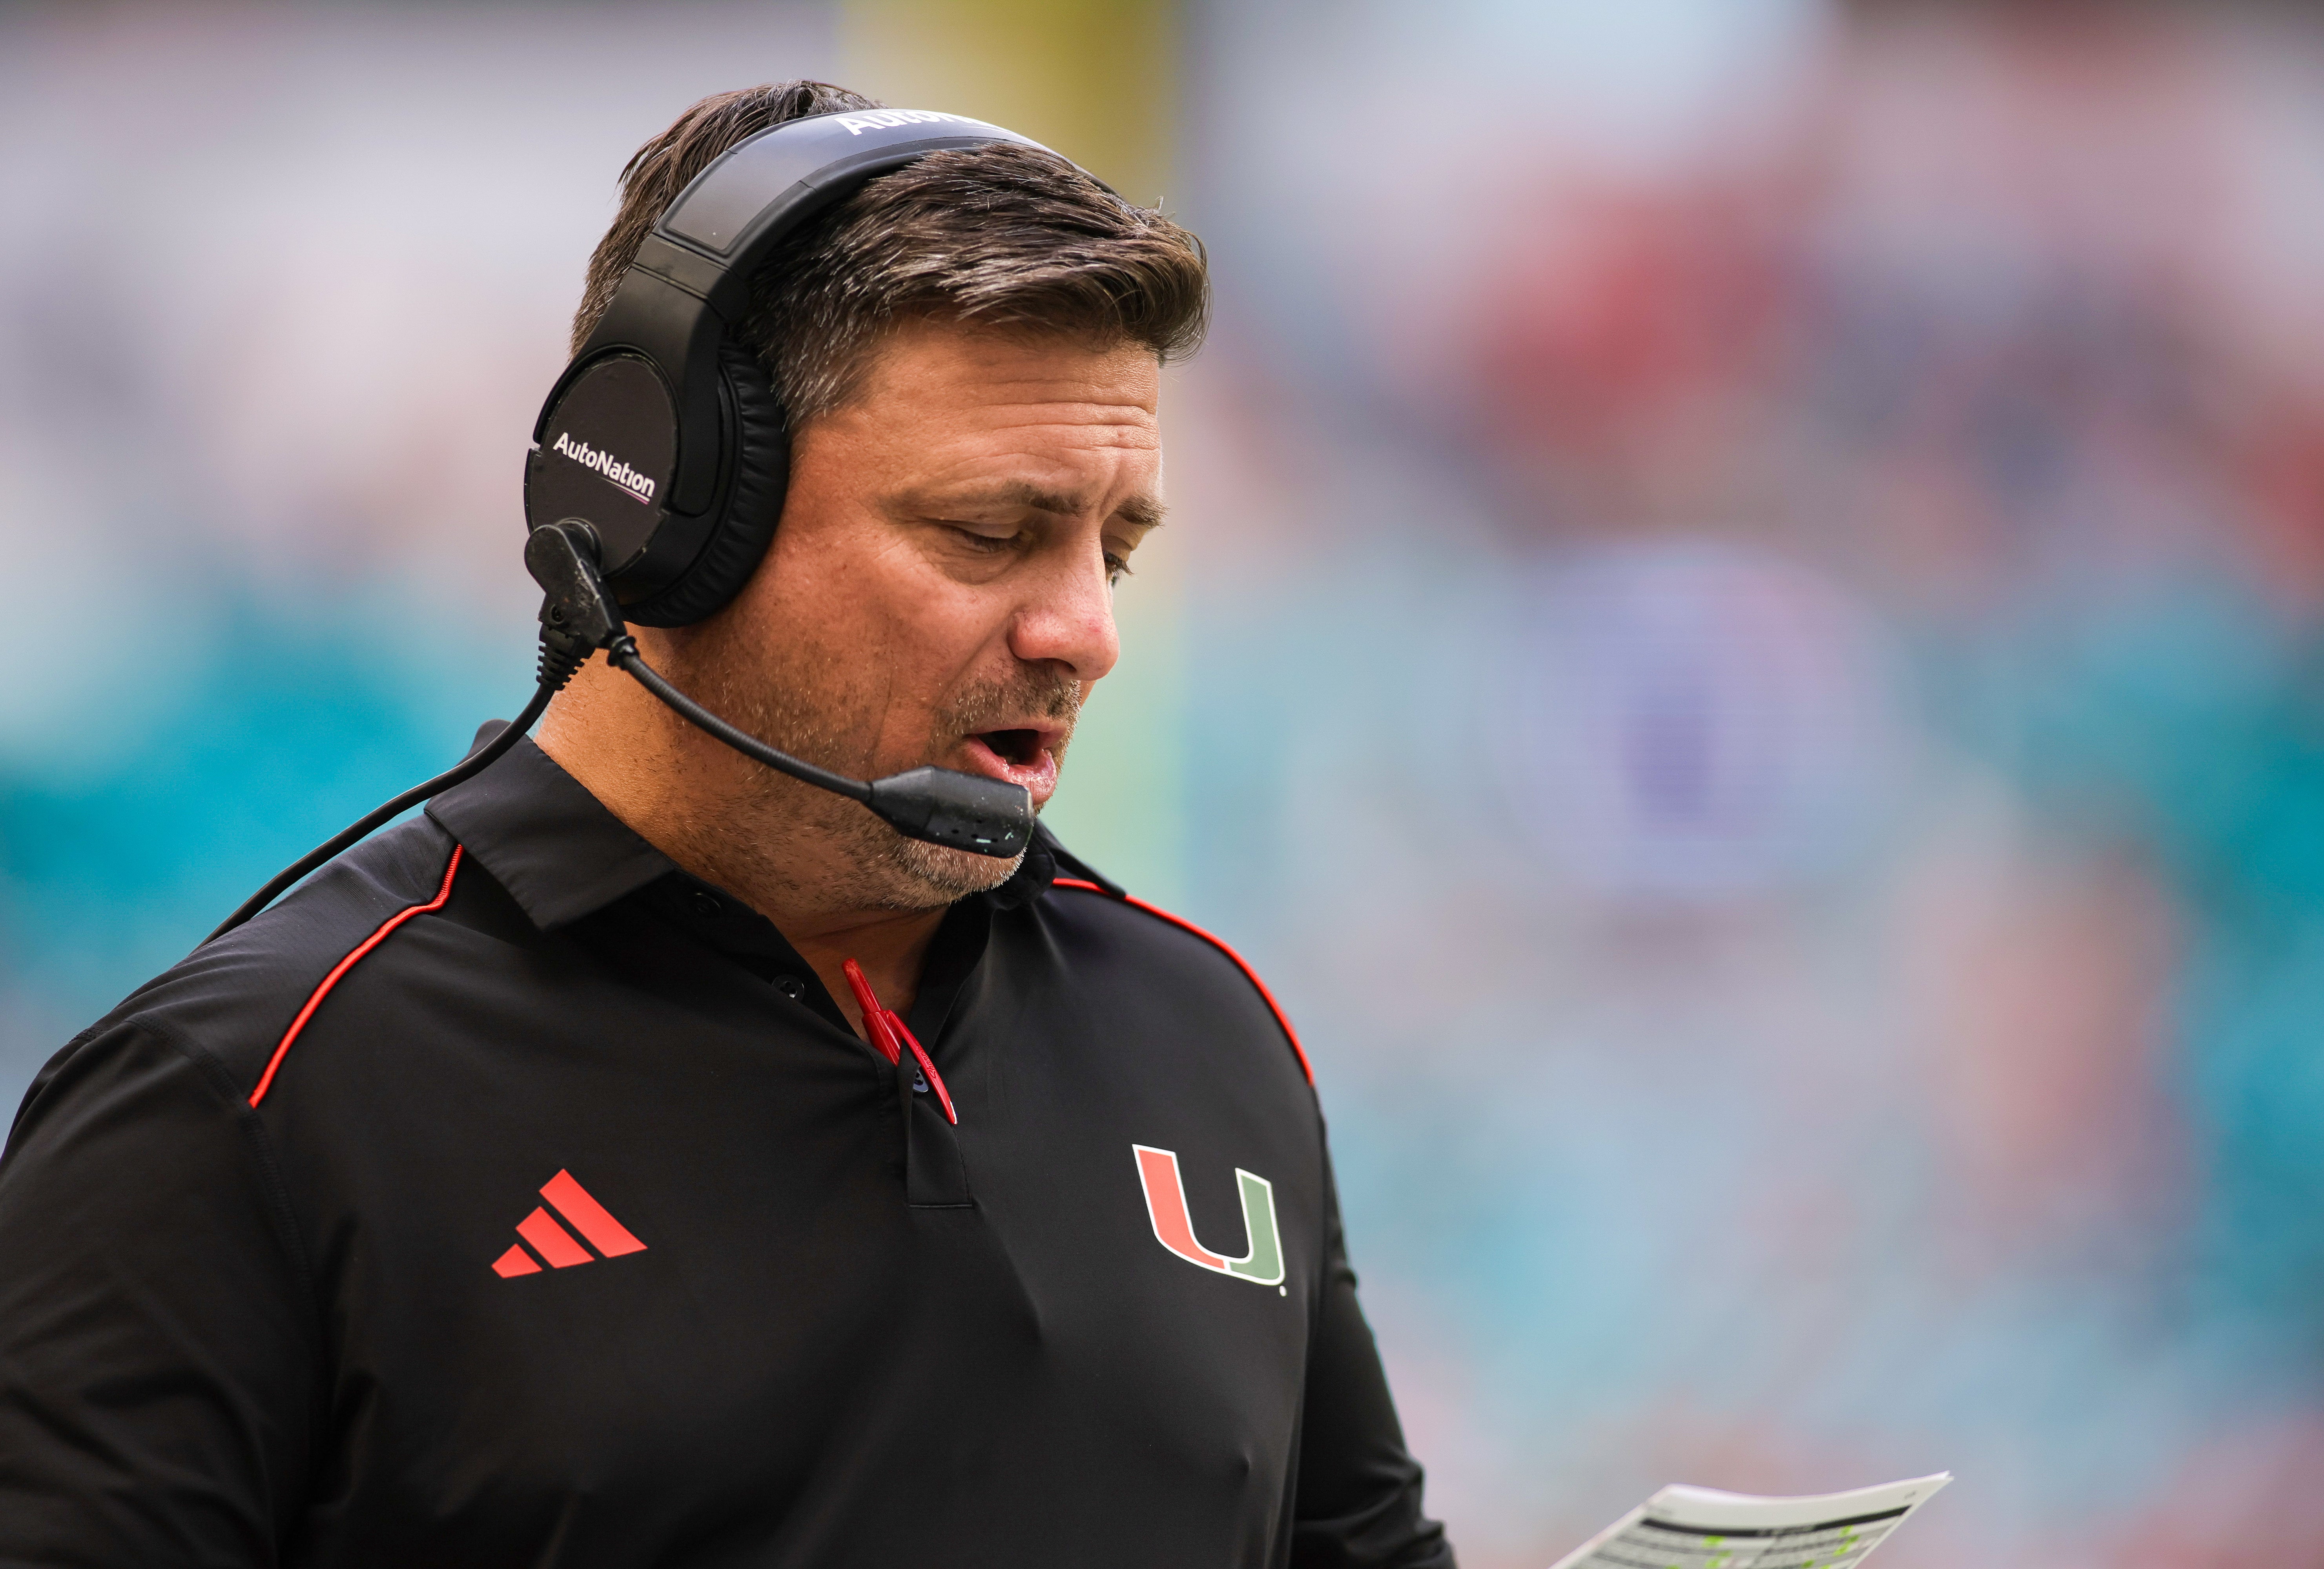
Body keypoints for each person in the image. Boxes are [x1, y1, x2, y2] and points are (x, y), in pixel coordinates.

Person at [0, 81, 1455, 1568]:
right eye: (987, 534)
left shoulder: (1204, 1034)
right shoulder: (245, 1103)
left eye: (1116, 549)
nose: (1087, 632)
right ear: (662, 512)